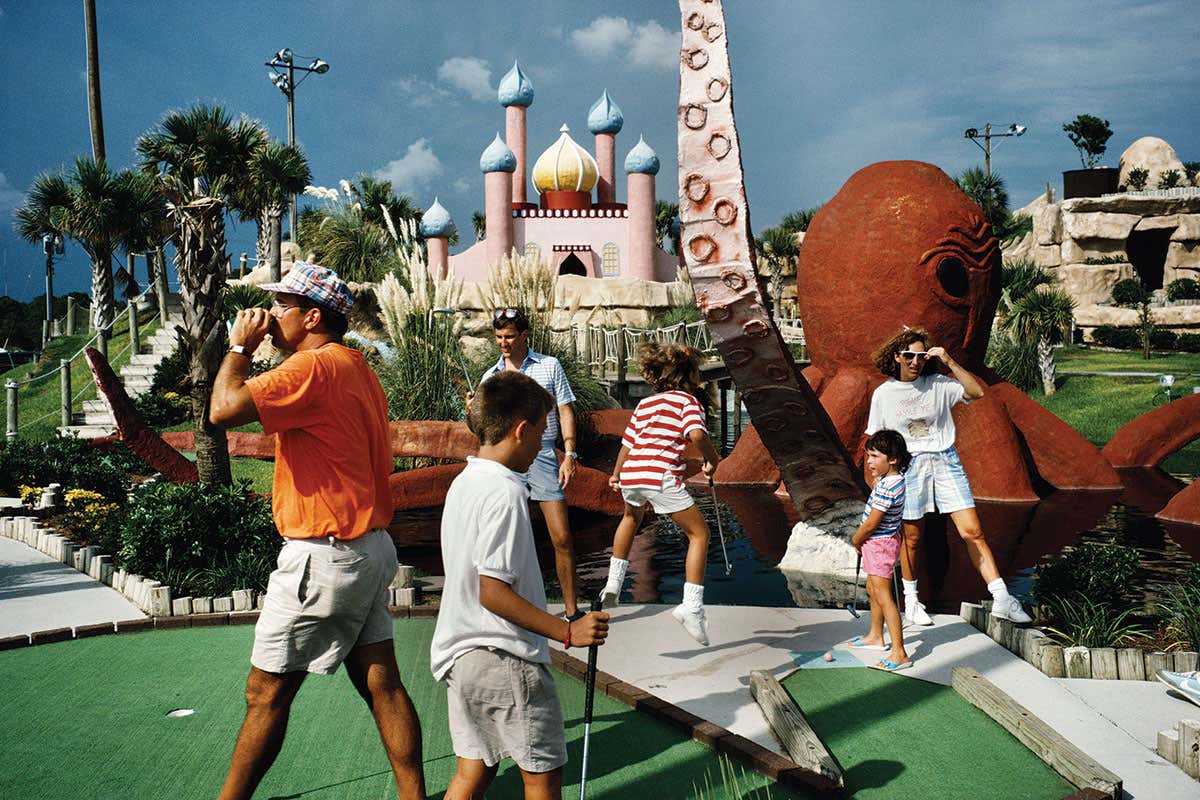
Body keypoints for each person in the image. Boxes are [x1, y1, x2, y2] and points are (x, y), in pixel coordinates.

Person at [209, 263, 426, 800]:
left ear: (311, 317)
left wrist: (240, 349)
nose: (269, 315)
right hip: (369, 548)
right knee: (381, 682)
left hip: (325, 555)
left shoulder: (310, 367)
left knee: (266, 692)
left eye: (281, 305)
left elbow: (222, 409)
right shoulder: (354, 364)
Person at [432, 370, 609, 800]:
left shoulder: (464, 482)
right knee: (542, 778)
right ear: (521, 429)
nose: (541, 448)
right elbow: (491, 589)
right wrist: (567, 631)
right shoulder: (506, 490)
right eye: (540, 437)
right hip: (504, 655)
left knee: (473, 771)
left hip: (461, 656)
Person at [866, 327, 1032, 625]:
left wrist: (949, 361)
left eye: (920, 356)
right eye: (908, 356)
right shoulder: (884, 394)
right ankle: (912, 601)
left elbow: (976, 392)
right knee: (913, 539)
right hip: (908, 467)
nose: (915, 362)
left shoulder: (939, 384)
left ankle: (1002, 599)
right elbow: (877, 441)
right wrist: (878, 478)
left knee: (973, 532)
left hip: (946, 462)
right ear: (897, 357)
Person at [601, 342, 720, 646]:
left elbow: (627, 445)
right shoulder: (689, 402)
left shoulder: (646, 404)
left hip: (632, 473)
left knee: (630, 518)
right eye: (698, 371)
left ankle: (613, 582)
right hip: (659, 474)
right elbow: (695, 434)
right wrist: (712, 459)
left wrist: (616, 474)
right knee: (699, 535)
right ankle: (692, 608)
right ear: (688, 374)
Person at [477, 308, 583, 621]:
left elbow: (564, 411)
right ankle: (512, 609)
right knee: (510, 537)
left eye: (509, 336)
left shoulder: (550, 366)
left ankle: (572, 611)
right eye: (498, 337)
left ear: (525, 336)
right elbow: (482, 429)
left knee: (561, 536)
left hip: (545, 456)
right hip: (507, 463)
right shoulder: (491, 376)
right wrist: (472, 409)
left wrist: (571, 453)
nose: (503, 343)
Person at [849, 429, 912, 671]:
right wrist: (879, 482)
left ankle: (899, 653)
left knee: (884, 596)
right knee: (873, 587)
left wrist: (856, 540)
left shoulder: (887, 487)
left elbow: (871, 523)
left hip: (879, 543)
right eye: (868, 456)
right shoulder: (892, 481)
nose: (869, 461)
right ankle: (876, 636)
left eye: (875, 456)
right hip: (880, 543)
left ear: (892, 459)